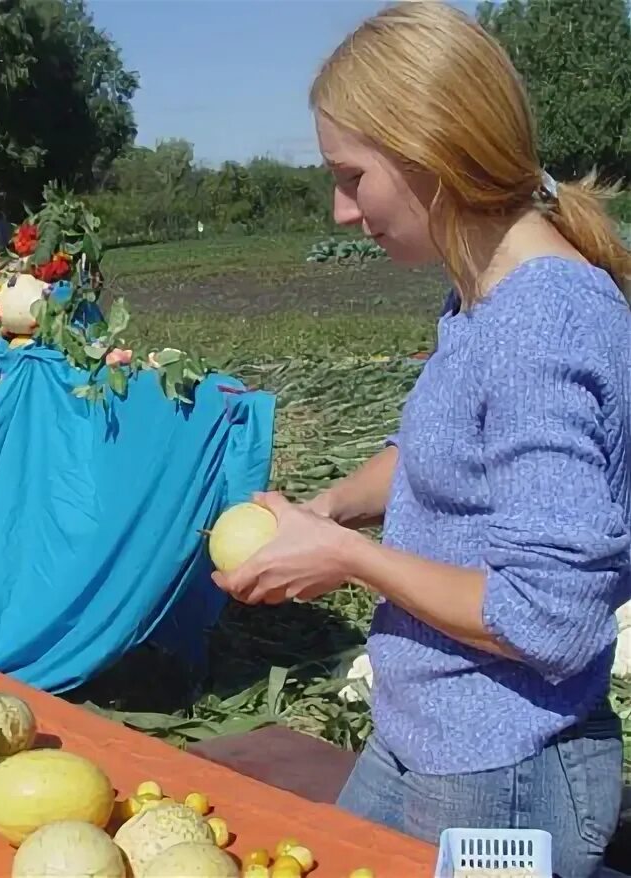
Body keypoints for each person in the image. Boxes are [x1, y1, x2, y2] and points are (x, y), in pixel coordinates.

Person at [211, 3, 631, 876]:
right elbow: (435, 451)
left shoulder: (540, 325)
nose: (338, 209)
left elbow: (543, 618)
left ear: (430, 156)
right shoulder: (482, 294)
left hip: (504, 767)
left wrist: (348, 559)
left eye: (351, 176)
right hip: (429, 735)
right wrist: (329, 509)